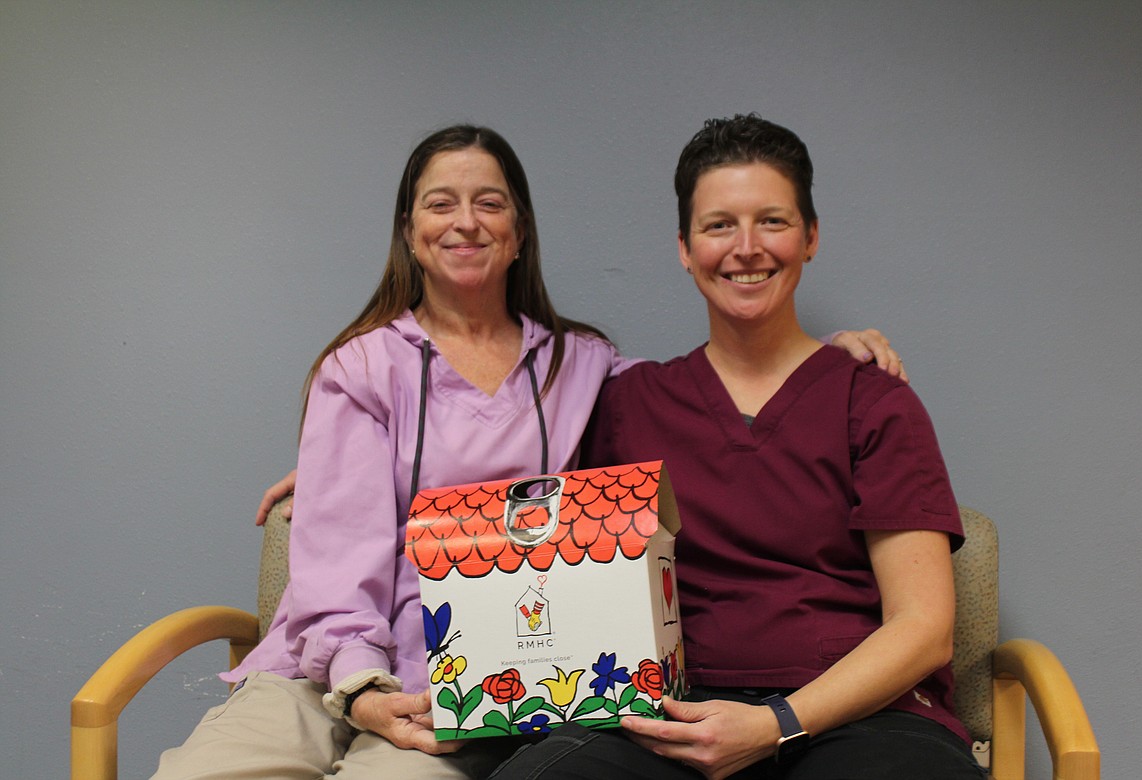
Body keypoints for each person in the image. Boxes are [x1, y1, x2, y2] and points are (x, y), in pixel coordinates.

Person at [153, 124, 897, 780]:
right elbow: (337, 567)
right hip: (326, 672)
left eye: (490, 203)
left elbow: (713, 391)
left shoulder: (584, 367)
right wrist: (359, 682)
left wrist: (823, 358)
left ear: (519, 230)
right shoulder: (360, 369)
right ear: (409, 230)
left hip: (470, 684)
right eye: (441, 203)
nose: (466, 223)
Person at [488, 116, 986, 779]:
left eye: (772, 221)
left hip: (860, 716)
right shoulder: (629, 402)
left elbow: (924, 626)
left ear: (810, 237)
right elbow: (531, 519)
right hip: (678, 711)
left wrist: (777, 723)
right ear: (685, 248)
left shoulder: (872, 400)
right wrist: (342, 467)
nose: (746, 248)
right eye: (719, 225)